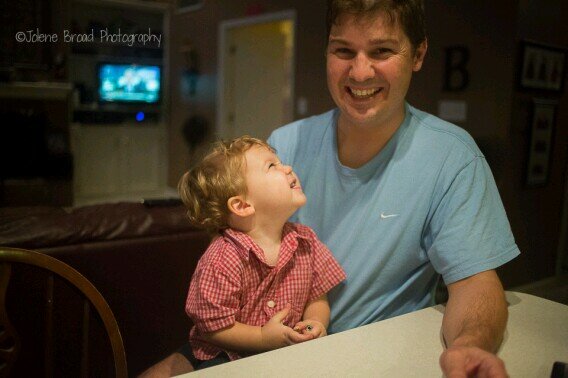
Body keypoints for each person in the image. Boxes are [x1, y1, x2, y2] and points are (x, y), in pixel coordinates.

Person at [140, 1, 519, 376]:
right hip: (256, 348)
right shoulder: (285, 143)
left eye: (382, 50)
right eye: (343, 50)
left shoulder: (452, 157)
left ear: (418, 54)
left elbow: (474, 283)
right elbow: (229, 259)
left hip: (364, 353)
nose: (360, 72)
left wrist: (469, 345)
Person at [167, 136, 346, 371]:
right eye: (272, 166)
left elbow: (317, 296)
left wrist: (315, 322)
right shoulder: (223, 258)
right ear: (242, 206)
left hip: (290, 352)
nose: (288, 168)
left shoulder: (306, 240)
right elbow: (213, 327)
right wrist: (262, 337)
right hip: (229, 358)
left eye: (280, 162)